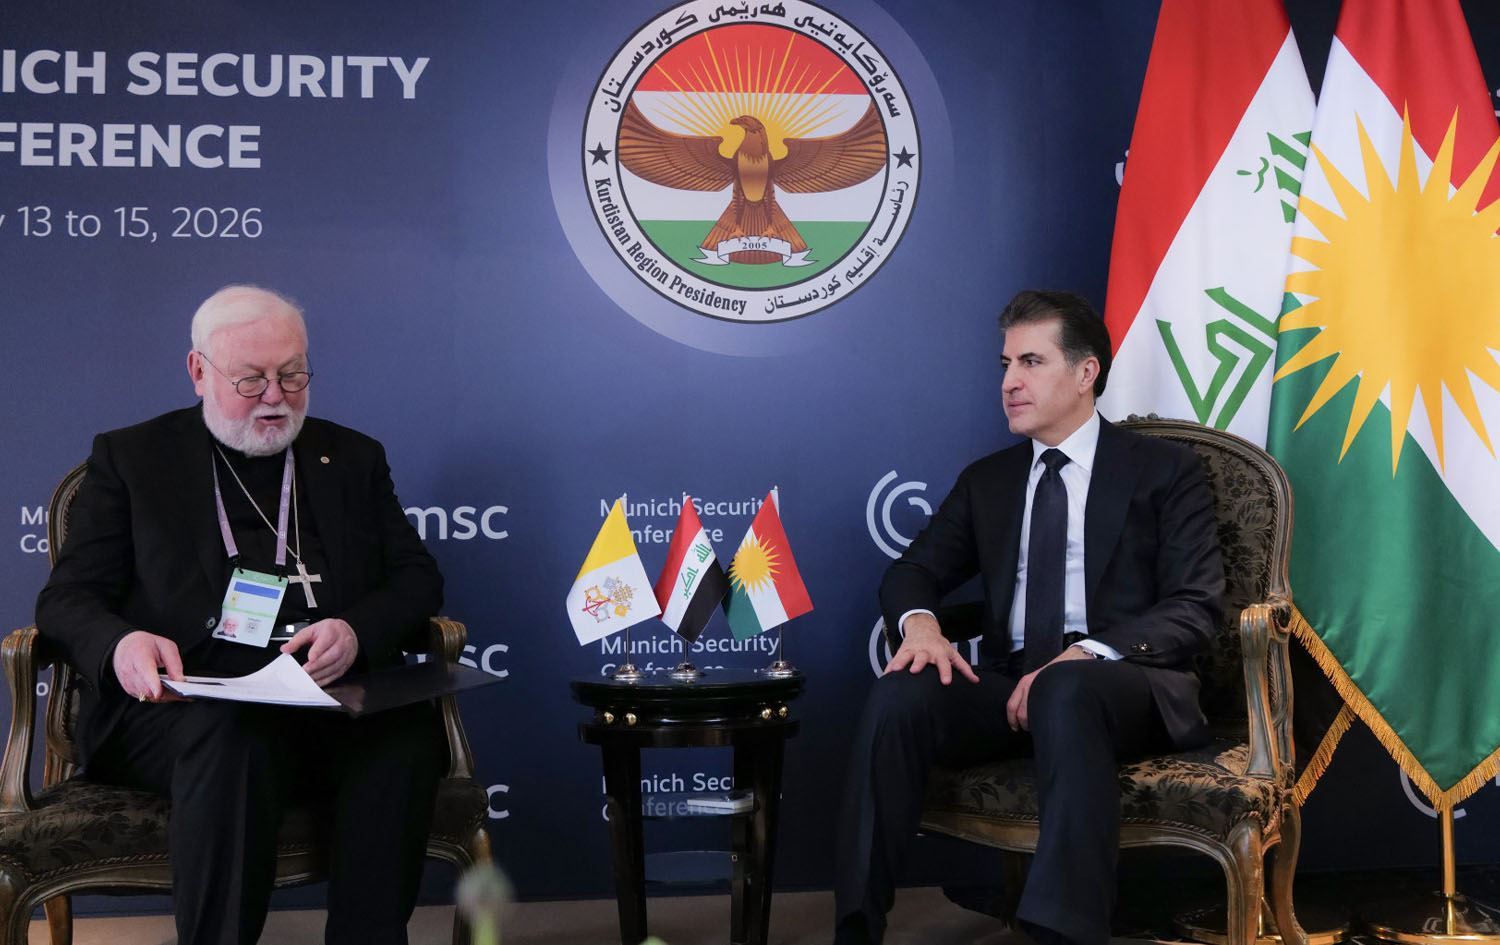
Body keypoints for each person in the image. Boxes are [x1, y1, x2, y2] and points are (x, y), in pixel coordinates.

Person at [36, 285, 446, 945]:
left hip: (321, 694)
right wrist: (122, 643)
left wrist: (355, 630)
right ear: (198, 371)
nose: (276, 397)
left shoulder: (352, 458)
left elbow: (417, 578)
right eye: (251, 379)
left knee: (403, 733)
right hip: (183, 705)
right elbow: (67, 597)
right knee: (234, 735)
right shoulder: (133, 458)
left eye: (292, 374)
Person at [833, 290, 1225, 945]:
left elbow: (1194, 605)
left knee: (1066, 686)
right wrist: (922, 626)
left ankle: (1061, 932)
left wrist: (1088, 652)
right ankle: (856, 925)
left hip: (1123, 685)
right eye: (1006, 363)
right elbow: (912, 572)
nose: (1009, 381)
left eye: (1031, 362)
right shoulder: (988, 481)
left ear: (1085, 372)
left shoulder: (1164, 471)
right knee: (901, 692)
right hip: (1011, 683)